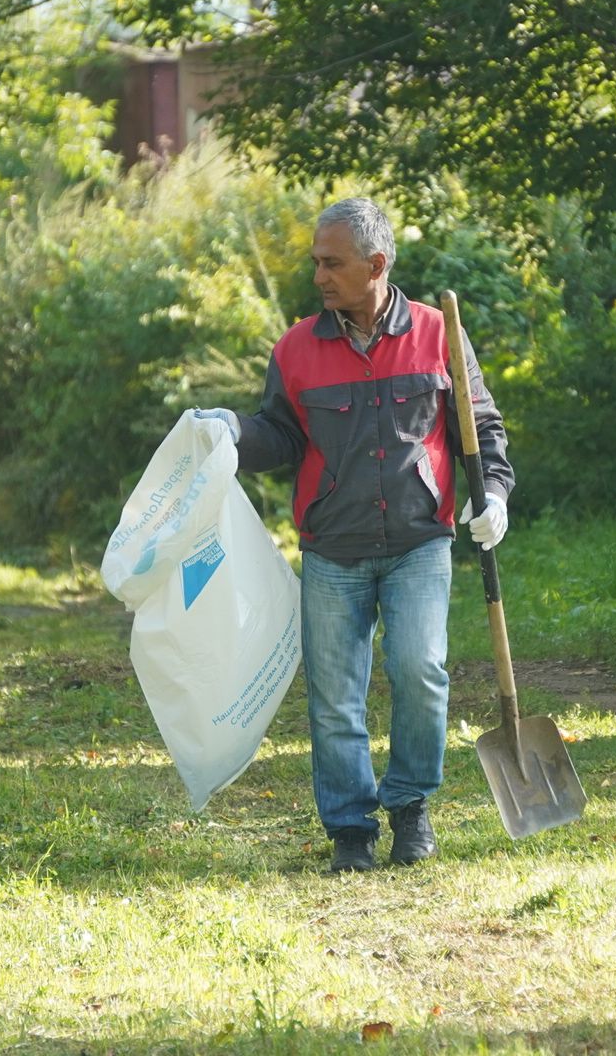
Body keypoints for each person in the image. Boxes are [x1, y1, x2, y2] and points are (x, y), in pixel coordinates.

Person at [194, 197, 512, 874]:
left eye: (332, 264)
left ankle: (410, 807)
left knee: (420, 671)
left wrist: (495, 494)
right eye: (315, 262)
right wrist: (233, 431)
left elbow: (479, 426)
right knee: (335, 699)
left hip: (418, 542)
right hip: (332, 549)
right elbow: (280, 436)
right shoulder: (296, 349)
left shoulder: (438, 334)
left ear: (376, 264)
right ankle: (349, 829)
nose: (319, 276)